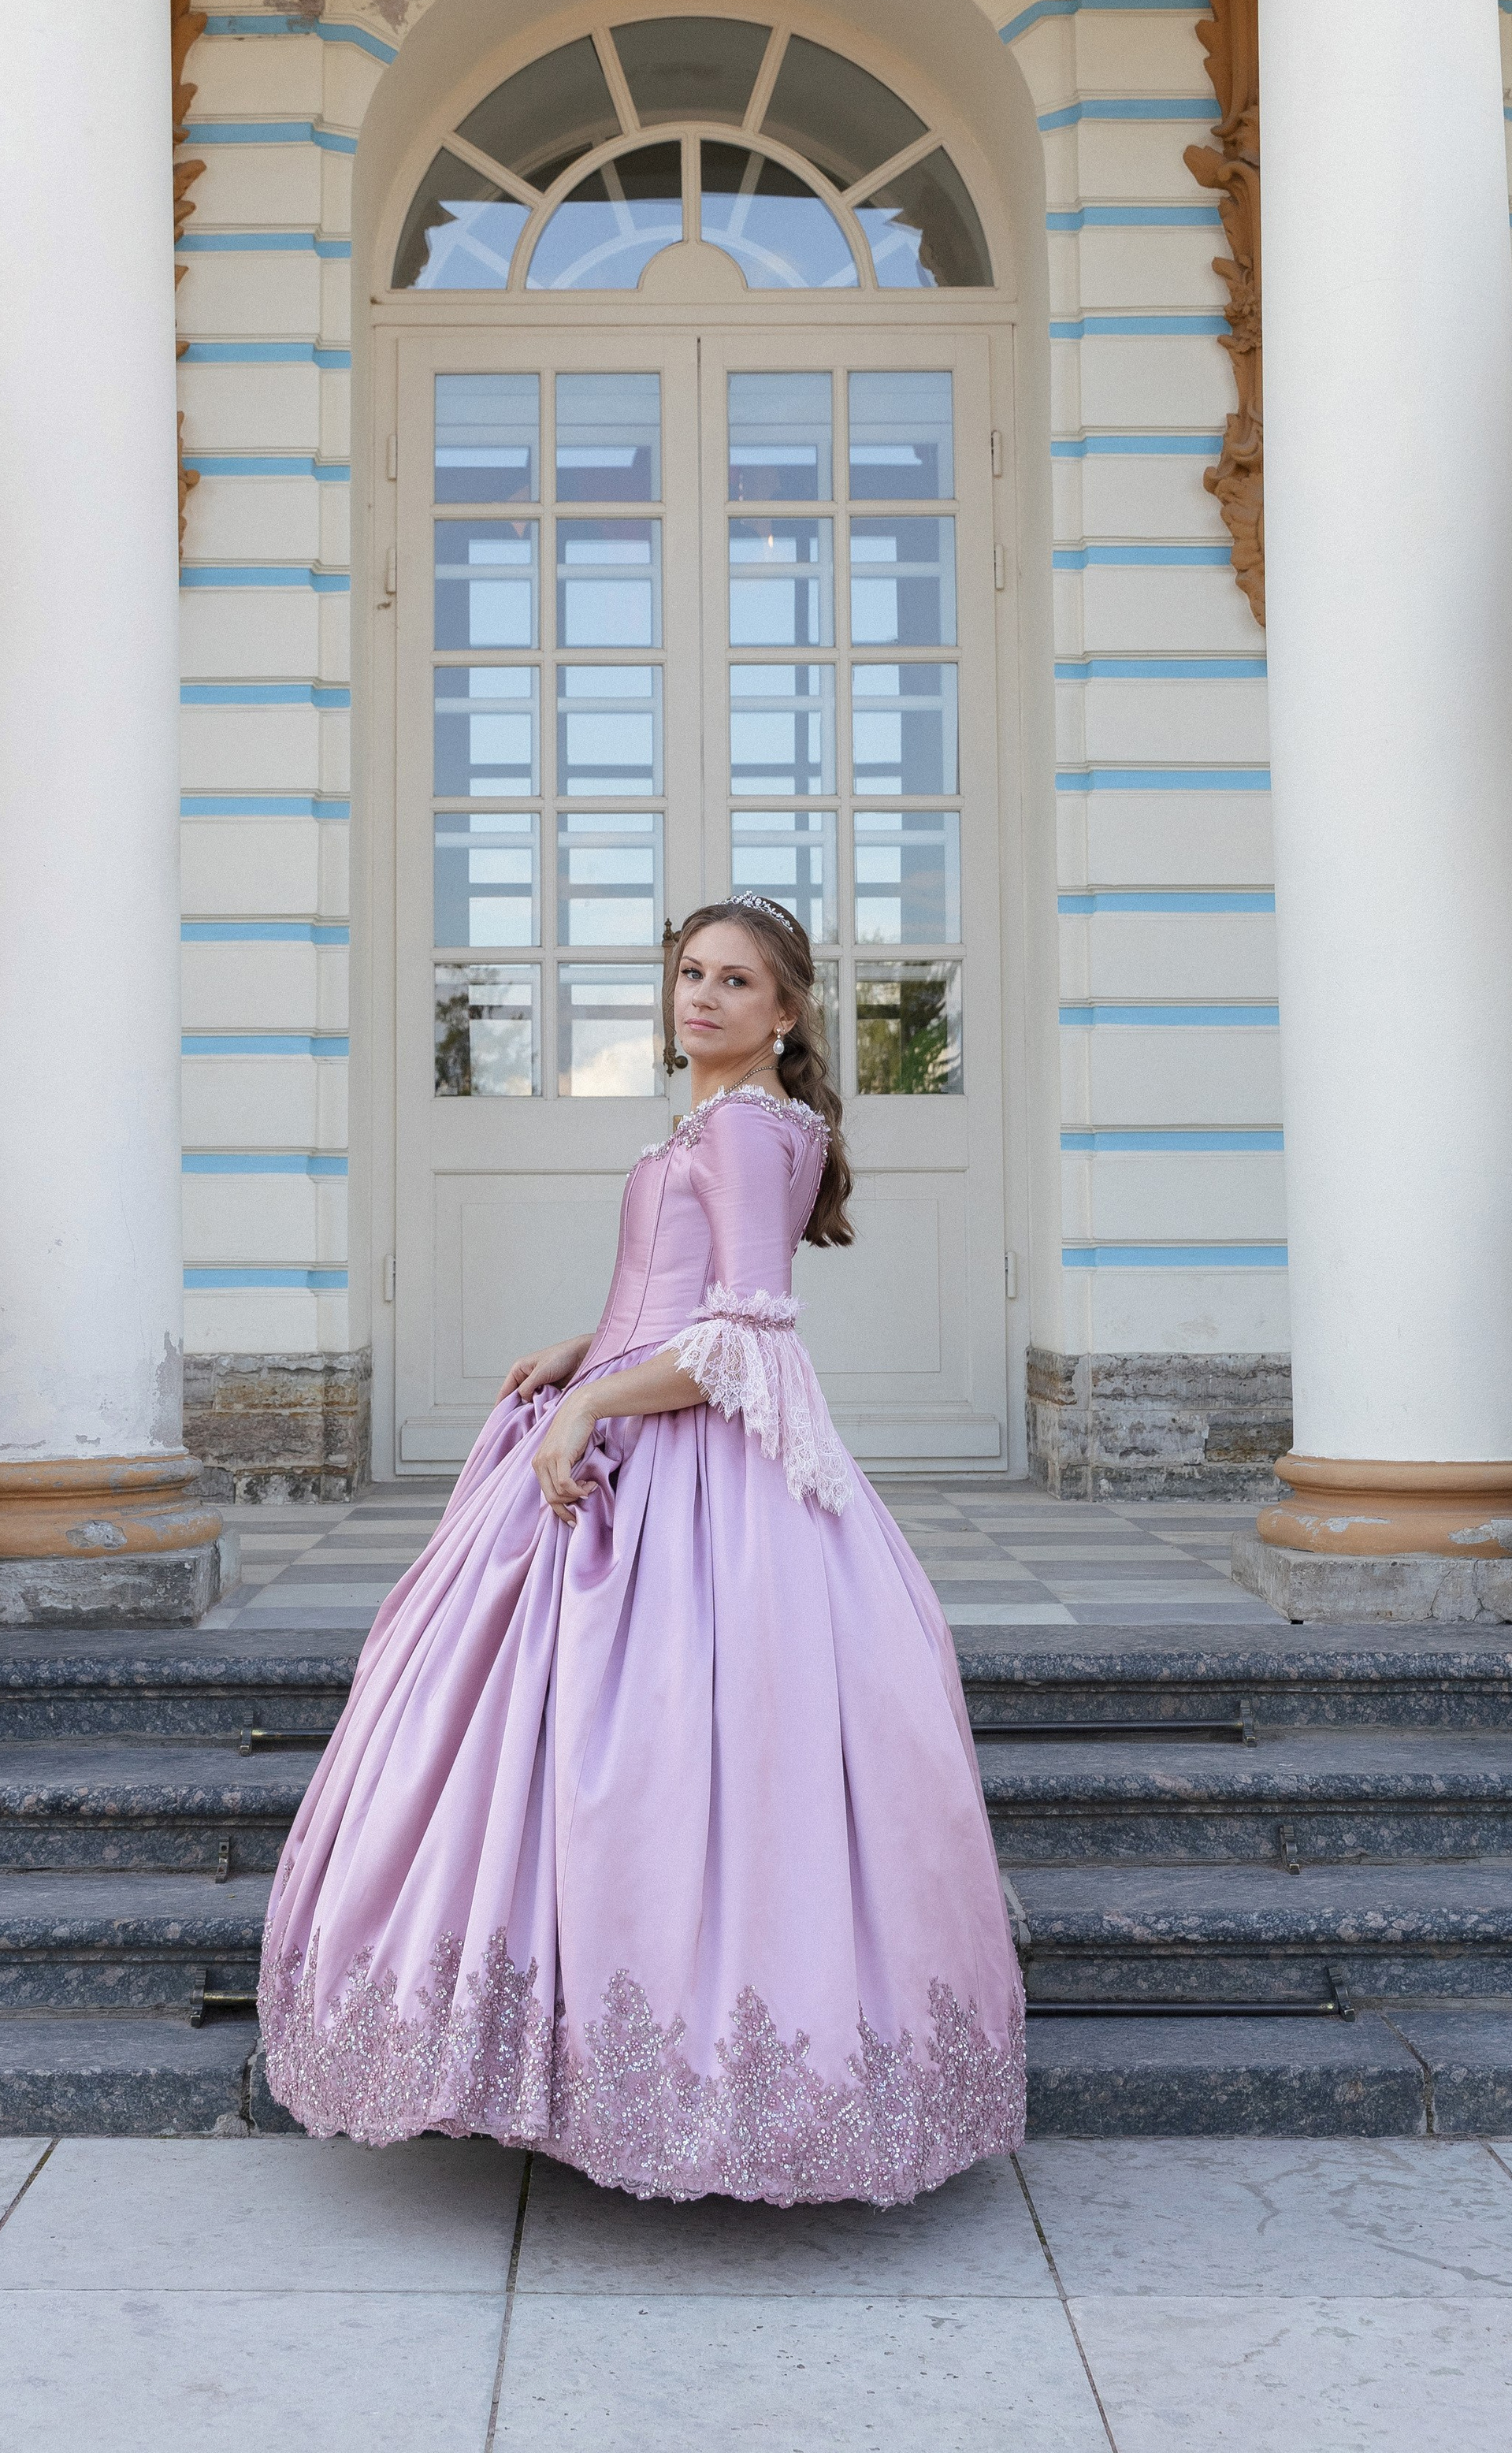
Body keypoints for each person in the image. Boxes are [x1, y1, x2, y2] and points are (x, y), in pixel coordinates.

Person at [259, 894, 1024, 2206]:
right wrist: (584, 1350)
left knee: (640, 1752)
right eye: (689, 975)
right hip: (655, 1422)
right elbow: (674, 1300)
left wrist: (598, 1409)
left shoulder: (739, 1124)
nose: (703, 998)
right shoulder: (756, 1123)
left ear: (787, 1014)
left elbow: (746, 1335)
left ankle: (652, 2074)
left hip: (683, 1472)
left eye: (737, 982)